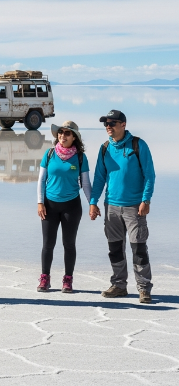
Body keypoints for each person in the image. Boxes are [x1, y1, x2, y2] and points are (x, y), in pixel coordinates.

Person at [89, 110, 156, 303]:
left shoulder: (138, 145)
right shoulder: (105, 148)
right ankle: (119, 285)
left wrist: (146, 200)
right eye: (105, 124)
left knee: (139, 249)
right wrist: (93, 202)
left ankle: (144, 288)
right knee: (115, 248)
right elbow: (100, 178)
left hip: (134, 207)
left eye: (112, 123)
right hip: (111, 207)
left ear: (123, 125)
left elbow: (150, 175)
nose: (108, 127)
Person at [36, 121, 92, 293]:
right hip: (49, 206)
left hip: (71, 207)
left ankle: (68, 279)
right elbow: (41, 180)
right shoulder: (50, 153)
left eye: (68, 133)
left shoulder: (80, 157)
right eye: (61, 132)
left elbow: (86, 184)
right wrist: (40, 202)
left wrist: (92, 204)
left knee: (69, 244)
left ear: (74, 137)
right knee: (48, 244)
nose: (63, 136)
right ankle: (45, 278)